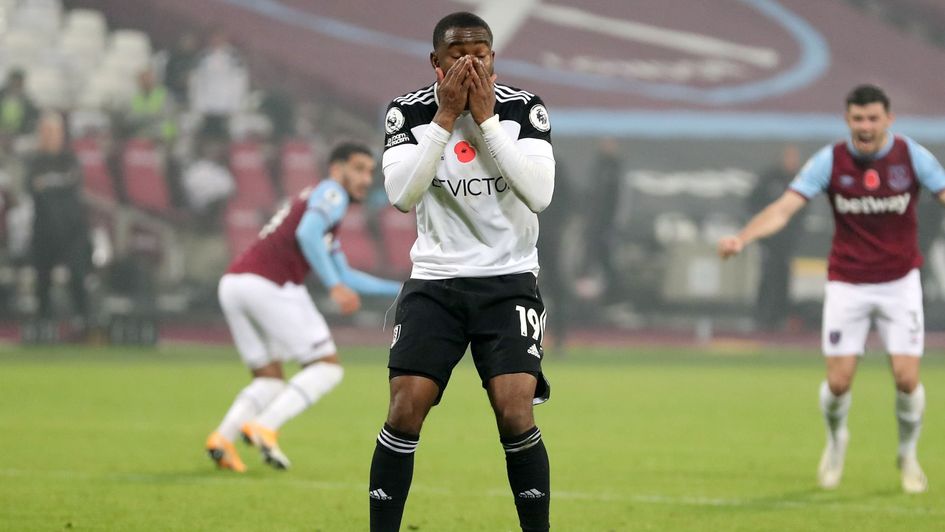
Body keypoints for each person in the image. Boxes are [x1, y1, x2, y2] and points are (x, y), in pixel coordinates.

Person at [370, 12, 555, 532]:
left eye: (481, 53)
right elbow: (402, 196)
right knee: (405, 408)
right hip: (436, 281)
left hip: (508, 281)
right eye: (458, 55)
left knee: (515, 411)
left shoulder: (524, 109)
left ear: (495, 58)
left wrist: (488, 122)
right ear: (436, 62)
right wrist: (447, 117)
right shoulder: (408, 112)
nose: (471, 63)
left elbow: (539, 195)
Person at [718, 84, 945, 494]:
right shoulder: (830, 160)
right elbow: (784, 208)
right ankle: (837, 440)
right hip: (848, 284)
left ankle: (907, 454)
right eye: (858, 118)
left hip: (899, 283)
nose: (866, 126)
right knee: (839, 383)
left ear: (888, 119)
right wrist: (743, 238)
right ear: (847, 120)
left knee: (906, 378)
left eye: (873, 118)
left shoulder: (911, 157)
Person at [206, 141, 402, 472]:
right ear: (336, 169)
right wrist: (334, 286)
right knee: (327, 367)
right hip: (270, 284)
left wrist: (403, 288)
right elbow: (308, 235)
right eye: (358, 169)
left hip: (235, 284)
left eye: (370, 172)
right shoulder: (332, 193)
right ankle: (264, 426)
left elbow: (345, 274)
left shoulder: (321, 206)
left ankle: (222, 440)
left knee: (269, 379)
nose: (366, 179)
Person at [26, 112, 92, 324]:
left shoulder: (69, 159)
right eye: (45, 131)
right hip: (44, 229)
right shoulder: (34, 161)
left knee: (78, 276)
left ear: (61, 134)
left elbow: (71, 185)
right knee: (42, 280)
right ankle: (43, 324)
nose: (49, 136)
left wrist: (47, 186)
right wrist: (57, 186)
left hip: (72, 229)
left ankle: (82, 321)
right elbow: (32, 188)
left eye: (53, 131)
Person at [747, 144, 803, 331]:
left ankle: (780, 316)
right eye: (789, 158)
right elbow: (752, 202)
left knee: (783, 277)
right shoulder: (770, 179)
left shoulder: (798, 182)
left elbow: (803, 210)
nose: (792, 162)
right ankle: (763, 316)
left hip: (787, 241)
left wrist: (794, 230)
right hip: (769, 239)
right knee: (768, 276)